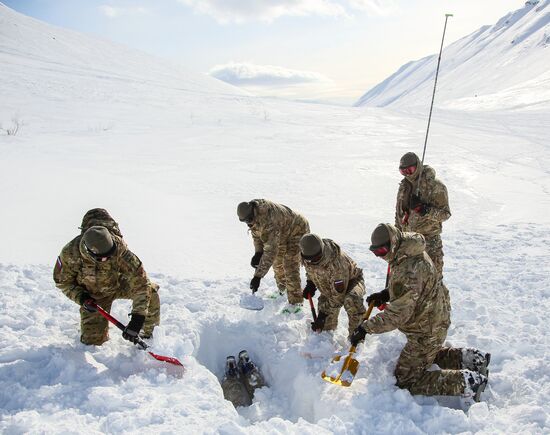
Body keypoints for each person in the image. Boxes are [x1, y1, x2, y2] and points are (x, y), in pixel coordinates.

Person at [350, 224, 490, 405]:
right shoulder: (407, 250)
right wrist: (386, 294)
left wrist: (365, 328)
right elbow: (412, 290)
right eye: (376, 252)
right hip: (432, 317)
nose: (381, 256)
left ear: (393, 243)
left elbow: (397, 315)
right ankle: (473, 359)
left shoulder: (409, 269)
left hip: (427, 328)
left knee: (406, 379)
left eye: (383, 250)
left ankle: (467, 382)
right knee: (425, 355)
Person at [53, 208, 160, 345]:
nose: (108, 259)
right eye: (103, 258)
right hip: (94, 296)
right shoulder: (71, 253)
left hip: (119, 284)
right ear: (88, 252)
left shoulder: (119, 248)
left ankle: (148, 338)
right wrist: (82, 298)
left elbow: (140, 282)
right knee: (93, 343)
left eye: (110, 254)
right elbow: (63, 282)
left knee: (150, 291)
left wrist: (138, 318)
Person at [237, 199, 309, 311]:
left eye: (249, 220)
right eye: (245, 221)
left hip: (297, 230)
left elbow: (271, 252)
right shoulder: (254, 215)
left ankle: (296, 303)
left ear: (253, 212)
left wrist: (258, 276)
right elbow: (257, 234)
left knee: (290, 264)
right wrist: (258, 252)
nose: (249, 223)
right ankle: (283, 290)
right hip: (282, 232)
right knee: (277, 263)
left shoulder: (269, 220)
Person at [395, 152, 450, 278]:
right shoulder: (404, 187)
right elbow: (398, 213)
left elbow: (445, 214)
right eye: (403, 172)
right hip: (407, 242)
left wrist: (424, 209)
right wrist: (396, 235)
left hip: (429, 242)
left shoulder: (435, 186)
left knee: (432, 282)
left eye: (410, 170)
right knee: (409, 283)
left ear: (418, 166)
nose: (407, 174)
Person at [300, 233, 366, 338]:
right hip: (329, 282)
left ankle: (357, 335)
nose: (312, 262)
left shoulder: (337, 264)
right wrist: (310, 283)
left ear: (321, 251)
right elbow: (310, 269)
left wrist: (322, 315)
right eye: (309, 260)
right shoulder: (308, 254)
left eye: (315, 259)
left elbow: (337, 299)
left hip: (351, 280)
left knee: (352, 300)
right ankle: (328, 333)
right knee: (325, 327)